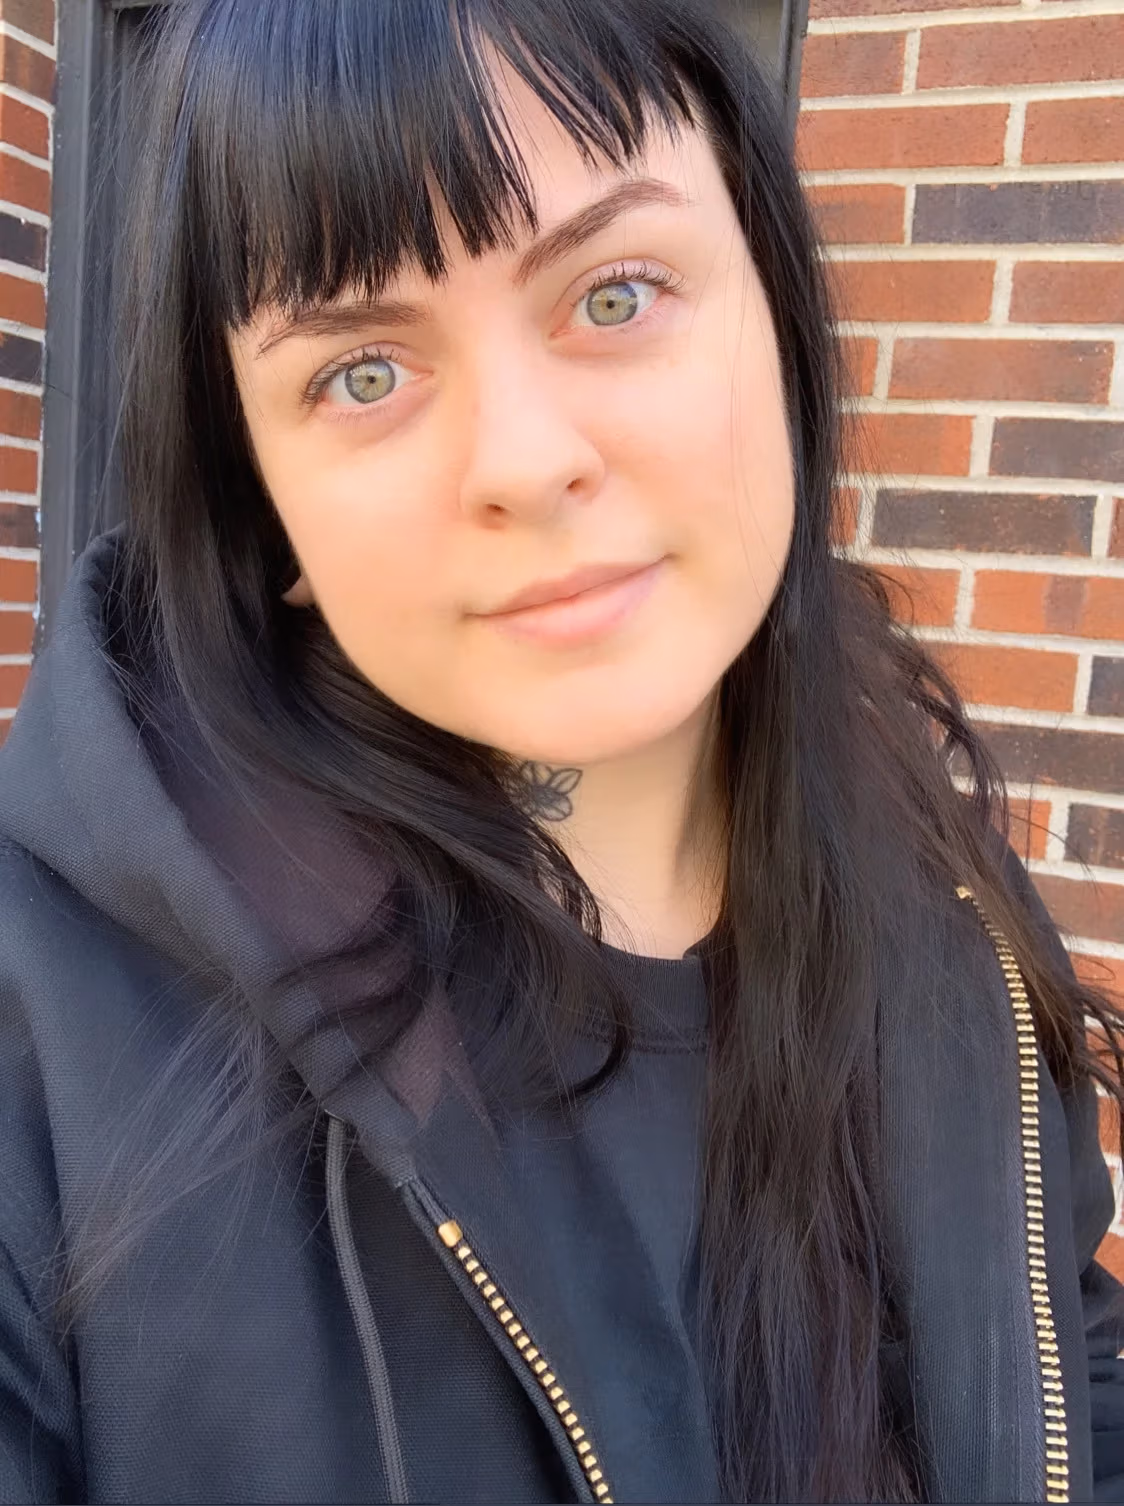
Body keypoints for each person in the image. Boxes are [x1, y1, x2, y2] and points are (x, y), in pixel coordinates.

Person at [1, 0, 1123, 1500]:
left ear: (774, 313)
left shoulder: (942, 888)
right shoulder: (40, 1028)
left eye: (616, 293)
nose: (527, 460)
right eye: (362, 373)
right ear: (264, 508)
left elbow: (1067, 1364)